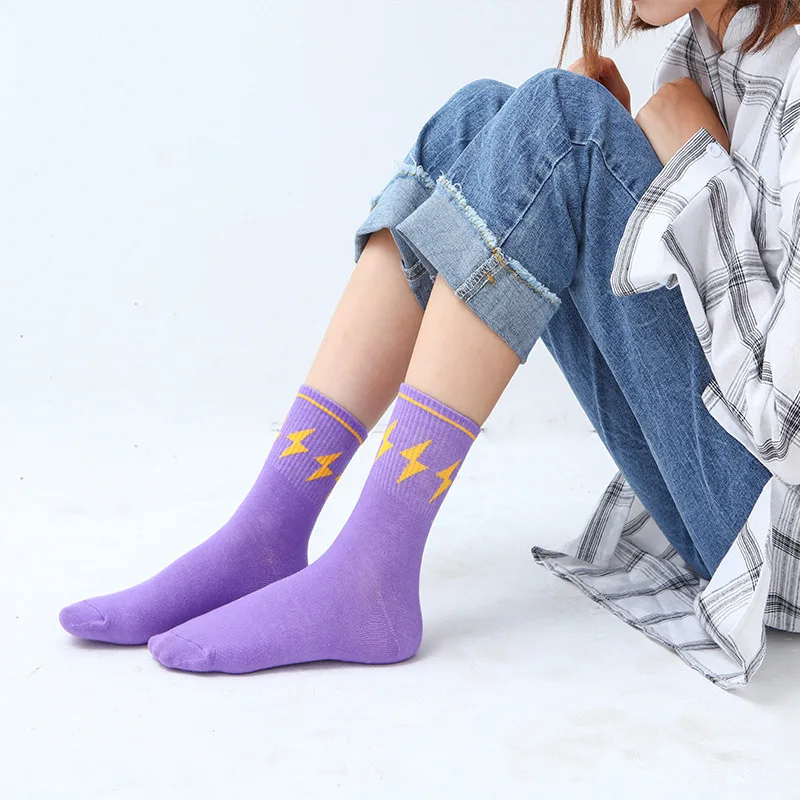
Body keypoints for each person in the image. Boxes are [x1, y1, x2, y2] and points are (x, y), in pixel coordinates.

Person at [59, 0, 800, 688]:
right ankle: (268, 530)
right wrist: (632, 176)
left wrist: (692, 174)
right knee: (482, 121)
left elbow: (787, 428)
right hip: (717, 503)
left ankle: (372, 567)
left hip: (775, 539)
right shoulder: (699, 60)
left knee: (563, 126)